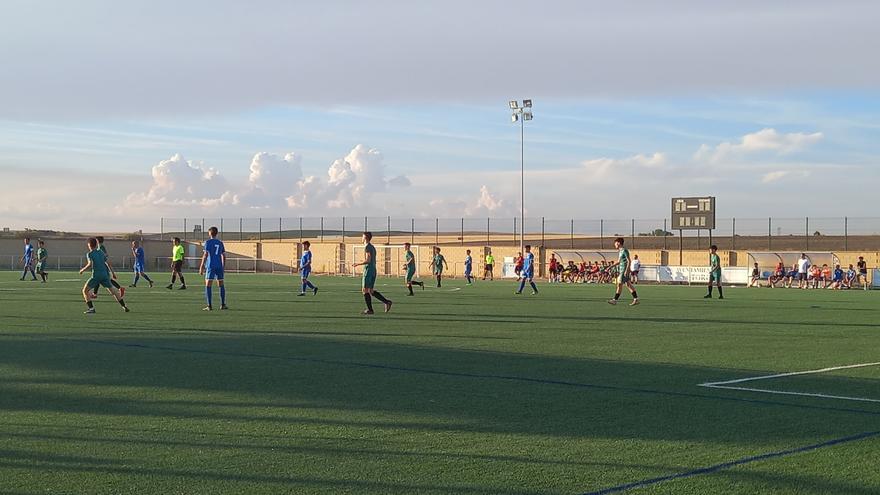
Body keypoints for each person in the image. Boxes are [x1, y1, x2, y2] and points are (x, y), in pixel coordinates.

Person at [79, 237, 129, 314]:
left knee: (85, 291)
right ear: (96, 245)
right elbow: (108, 263)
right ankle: (124, 306)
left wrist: (82, 270)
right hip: (105, 275)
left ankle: (91, 308)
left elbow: (90, 264)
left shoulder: (89, 254)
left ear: (89, 245)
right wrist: (113, 273)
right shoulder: (101, 252)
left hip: (96, 276)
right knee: (114, 292)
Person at [352, 232, 392, 314]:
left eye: (362, 237)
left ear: (366, 238)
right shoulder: (372, 247)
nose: (361, 238)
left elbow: (368, 260)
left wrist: (358, 264)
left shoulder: (367, 247)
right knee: (370, 290)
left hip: (368, 270)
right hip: (373, 270)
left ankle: (370, 310)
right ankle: (387, 302)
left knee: (365, 290)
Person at [199, 226, 227, 310]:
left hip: (211, 266)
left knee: (208, 285)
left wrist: (201, 267)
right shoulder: (220, 243)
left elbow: (205, 255)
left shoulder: (207, 242)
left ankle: (209, 305)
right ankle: (222, 304)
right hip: (219, 266)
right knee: (221, 284)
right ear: (216, 233)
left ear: (210, 233)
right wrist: (223, 266)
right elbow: (224, 256)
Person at [608, 237, 639, 306]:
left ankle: (615, 300)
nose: (614, 245)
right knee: (628, 285)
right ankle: (636, 299)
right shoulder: (620, 251)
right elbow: (618, 262)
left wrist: (626, 271)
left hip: (624, 270)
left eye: (615, 243)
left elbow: (629, 261)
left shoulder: (625, 250)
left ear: (618, 243)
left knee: (619, 284)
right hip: (621, 270)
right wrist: (610, 267)